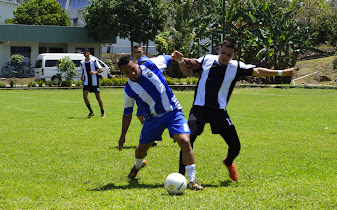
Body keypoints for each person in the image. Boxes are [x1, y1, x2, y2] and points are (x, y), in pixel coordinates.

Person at [171, 38, 297, 181]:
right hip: (199, 109)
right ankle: (180, 177)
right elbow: (188, 71)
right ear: (219, 49)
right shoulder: (207, 59)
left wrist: (282, 72)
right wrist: (181, 61)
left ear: (234, 55)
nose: (224, 57)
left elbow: (258, 71)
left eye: (228, 55)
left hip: (219, 112)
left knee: (235, 146)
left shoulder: (236, 67)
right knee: (187, 140)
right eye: (223, 52)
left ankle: (229, 162)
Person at [117, 54, 203, 190]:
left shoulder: (152, 65)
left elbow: (171, 57)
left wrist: (185, 60)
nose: (132, 73)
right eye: (127, 72)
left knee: (185, 141)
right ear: (123, 73)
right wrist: (123, 135)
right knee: (141, 150)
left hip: (173, 112)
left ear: (137, 64)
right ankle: (138, 165)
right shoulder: (129, 89)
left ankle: (192, 180)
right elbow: (127, 113)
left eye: (133, 69)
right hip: (152, 119)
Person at [81, 48, 105, 118]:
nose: (86, 54)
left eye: (87, 52)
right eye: (85, 53)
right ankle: (91, 112)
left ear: (90, 54)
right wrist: (82, 76)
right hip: (86, 82)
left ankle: (102, 112)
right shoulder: (82, 62)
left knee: (98, 98)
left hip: (94, 82)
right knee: (85, 97)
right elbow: (83, 69)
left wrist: (95, 72)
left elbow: (101, 70)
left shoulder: (94, 61)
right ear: (84, 54)